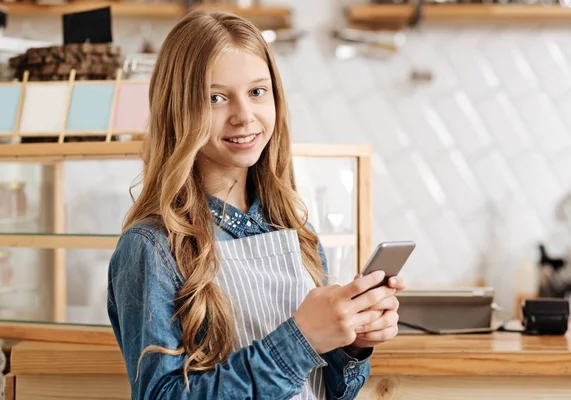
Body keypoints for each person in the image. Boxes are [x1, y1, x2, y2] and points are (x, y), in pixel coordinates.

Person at [107, 9, 403, 400]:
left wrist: (351, 344)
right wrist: (301, 339)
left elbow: (326, 391)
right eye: (216, 98)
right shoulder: (152, 246)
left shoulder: (298, 234)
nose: (244, 116)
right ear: (178, 110)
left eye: (257, 92)